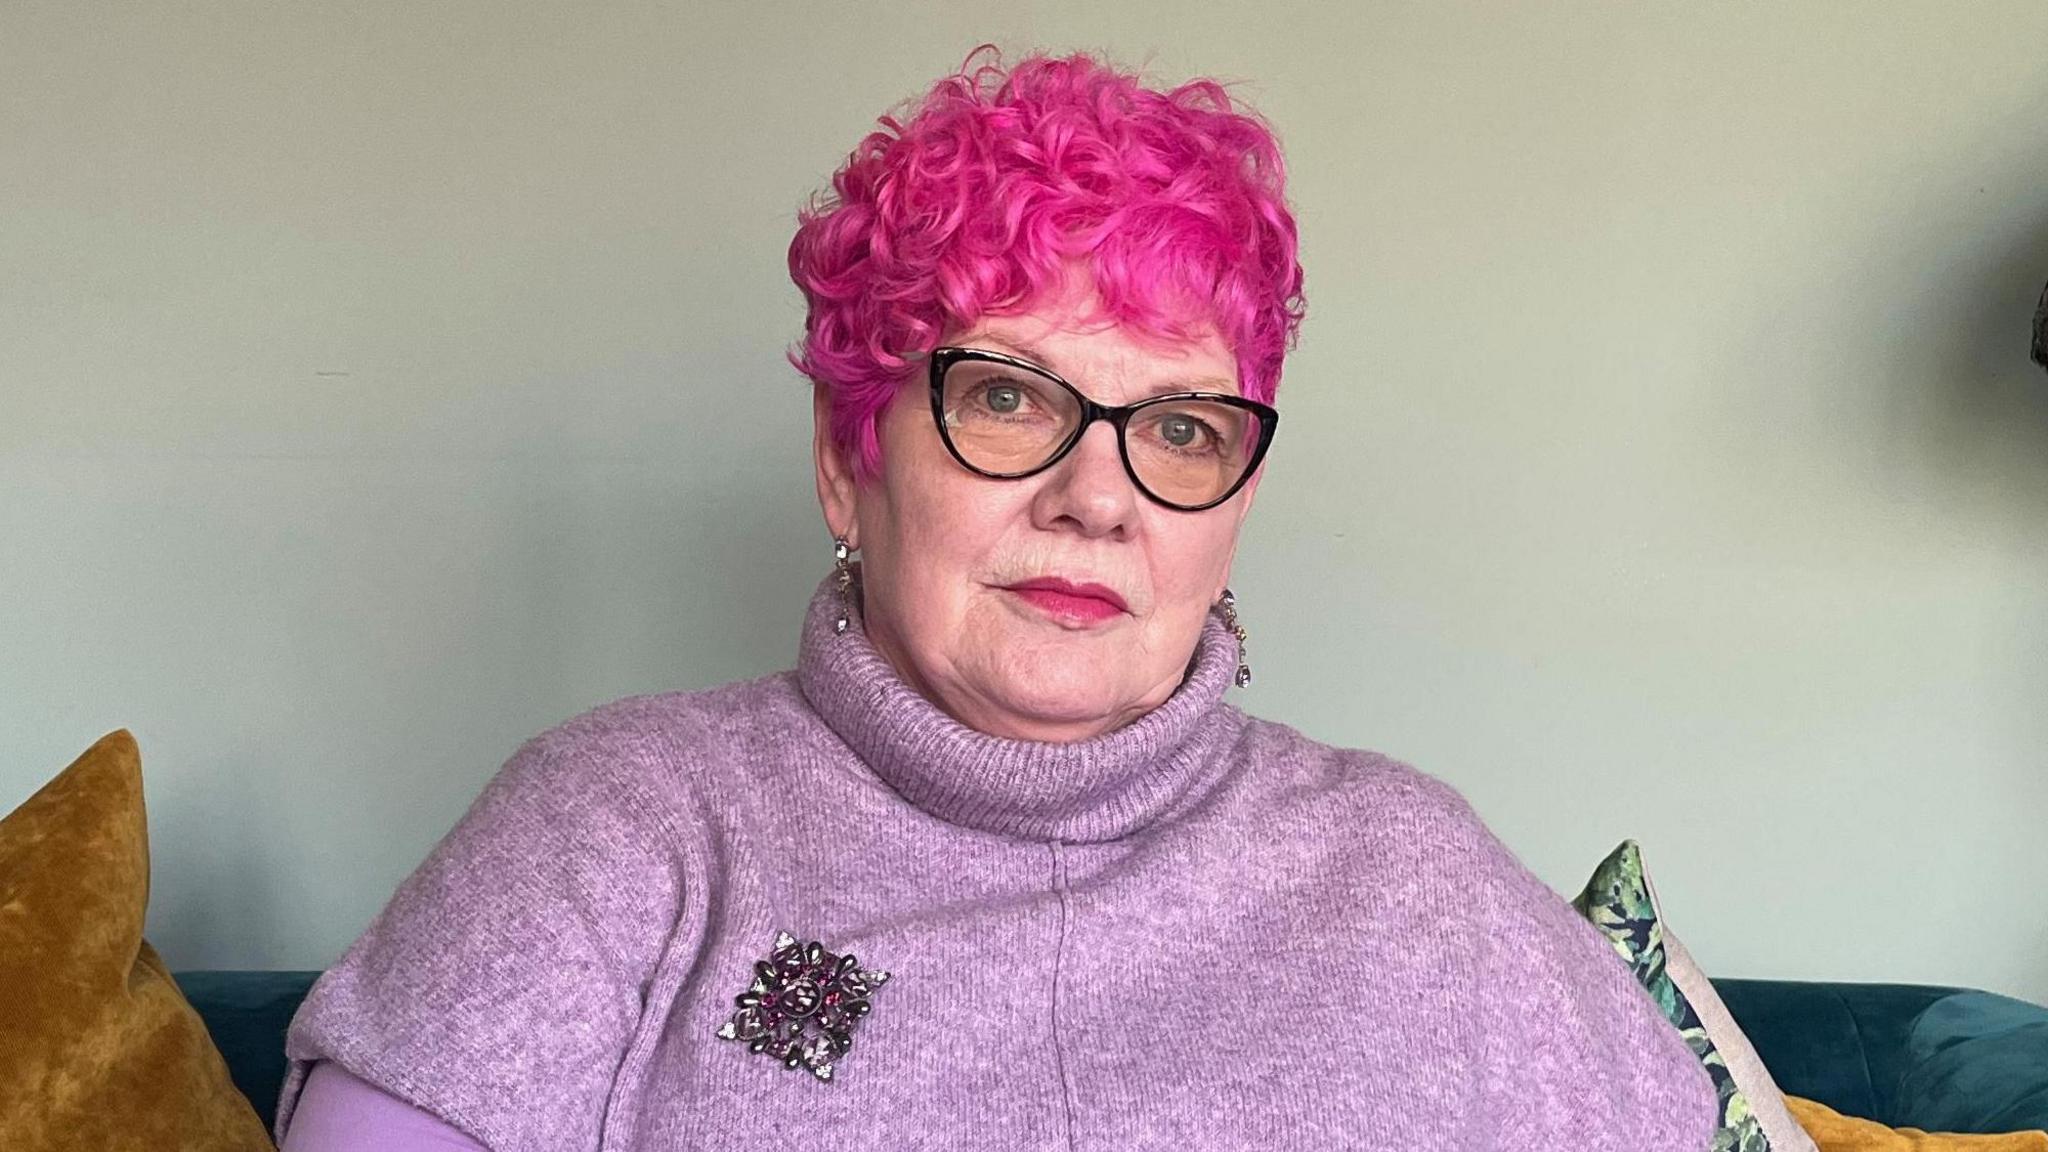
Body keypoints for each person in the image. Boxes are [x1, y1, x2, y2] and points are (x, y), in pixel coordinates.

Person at [276, 48, 1717, 1151]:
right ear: (851, 464)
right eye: (1014, 399)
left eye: (1180, 430)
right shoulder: (621, 825)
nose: (1100, 497)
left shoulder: (1412, 873)